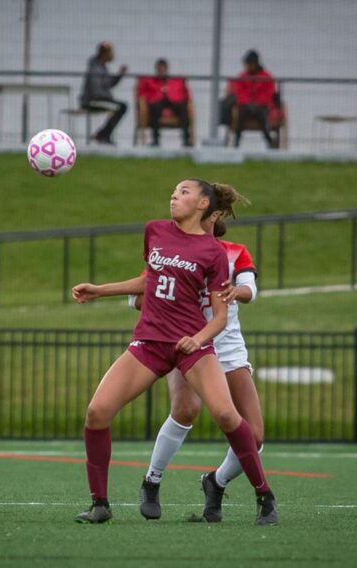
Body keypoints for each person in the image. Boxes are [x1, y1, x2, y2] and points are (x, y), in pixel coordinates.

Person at [71, 179, 277, 526]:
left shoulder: (216, 252)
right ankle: (100, 503)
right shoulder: (154, 231)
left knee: (229, 417)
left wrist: (198, 339)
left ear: (203, 205)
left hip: (193, 346)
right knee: (97, 411)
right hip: (151, 342)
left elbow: (223, 314)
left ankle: (265, 496)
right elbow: (150, 281)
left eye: (184, 192)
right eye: (173, 191)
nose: (174, 195)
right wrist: (100, 290)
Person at [129, 212, 265, 523]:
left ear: (212, 214)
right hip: (184, 341)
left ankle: (215, 482)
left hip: (227, 347)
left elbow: (250, 290)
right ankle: (152, 480)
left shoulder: (233, 251)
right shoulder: (169, 248)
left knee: (254, 436)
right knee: (186, 409)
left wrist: (235, 291)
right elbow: (141, 297)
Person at [80, 42, 128, 145]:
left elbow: (109, 84)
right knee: (120, 107)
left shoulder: (103, 67)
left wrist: (120, 75)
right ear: (104, 54)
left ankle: (102, 134)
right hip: (92, 101)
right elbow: (95, 91)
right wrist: (109, 98)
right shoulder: (95, 68)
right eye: (110, 52)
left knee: (121, 106)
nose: (112, 55)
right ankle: (103, 135)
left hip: (100, 99)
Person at [138, 58, 192, 147]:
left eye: (162, 68)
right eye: (159, 69)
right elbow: (143, 94)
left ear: (166, 69)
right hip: (157, 100)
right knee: (154, 108)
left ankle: (186, 139)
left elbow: (185, 94)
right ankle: (155, 139)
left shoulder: (175, 81)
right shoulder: (150, 81)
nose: (161, 71)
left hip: (172, 100)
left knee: (183, 108)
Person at [231, 50, 277, 148]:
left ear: (255, 64)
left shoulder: (266, 76)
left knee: (261, 115)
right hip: (246, 106)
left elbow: (269, 93)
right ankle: (236, 142)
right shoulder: (242, 76)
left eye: (249, 64)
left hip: (261, 106)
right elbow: (239, 92)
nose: (247, 66)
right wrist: (248, 102)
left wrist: (258, 103)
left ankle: (269, 140)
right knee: (241, 114)